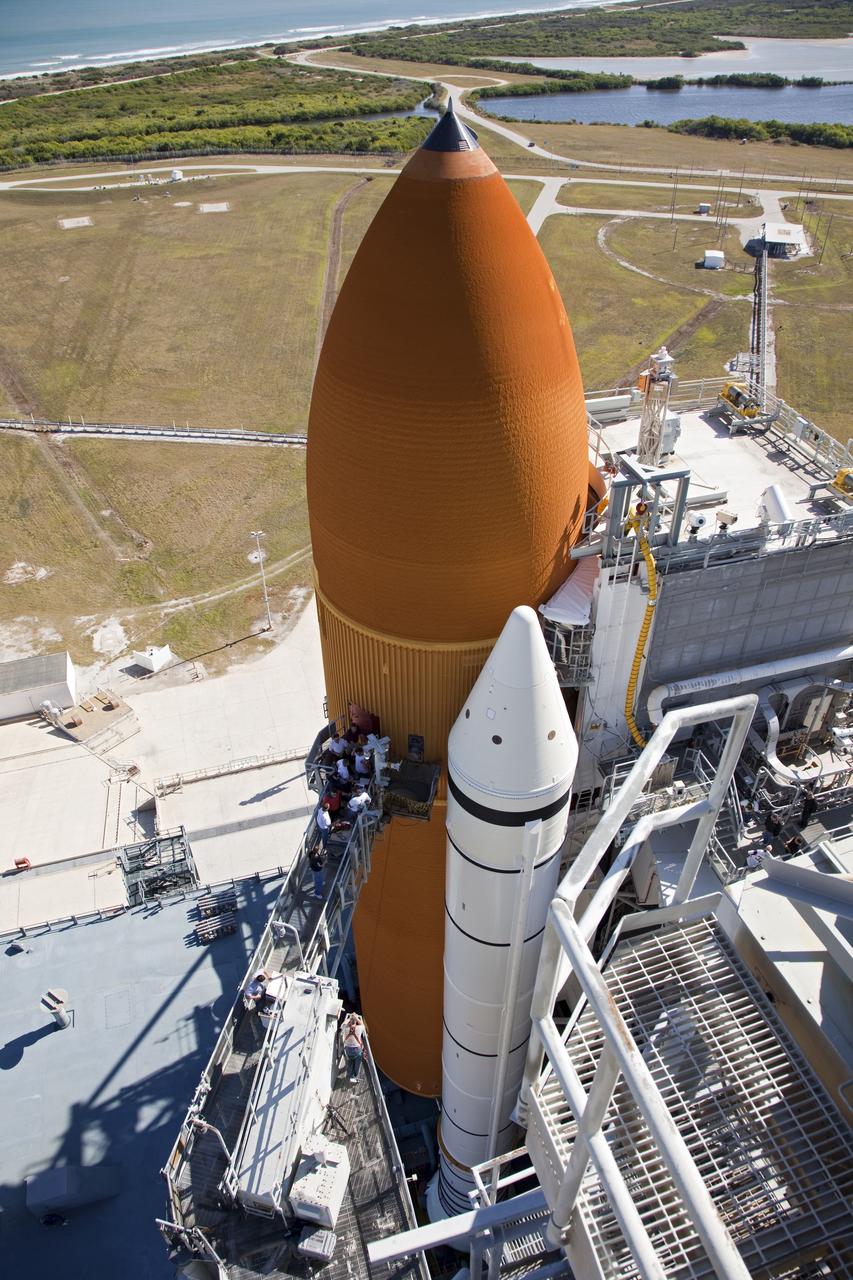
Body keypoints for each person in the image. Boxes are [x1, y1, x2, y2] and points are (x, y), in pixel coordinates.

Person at [342, 1012, 365, 1081]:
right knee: (357, 1064)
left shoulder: (345, 1028)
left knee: (350, 1061)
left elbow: (343, 1024)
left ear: (349, 1023)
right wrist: (356, 1018)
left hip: (348, 1049)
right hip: (357, 1050)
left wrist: (349, 1018)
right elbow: (362, 1025)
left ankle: (350, 1075)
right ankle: (355, 1075)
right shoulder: (359, 1028)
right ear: (356, 1022)